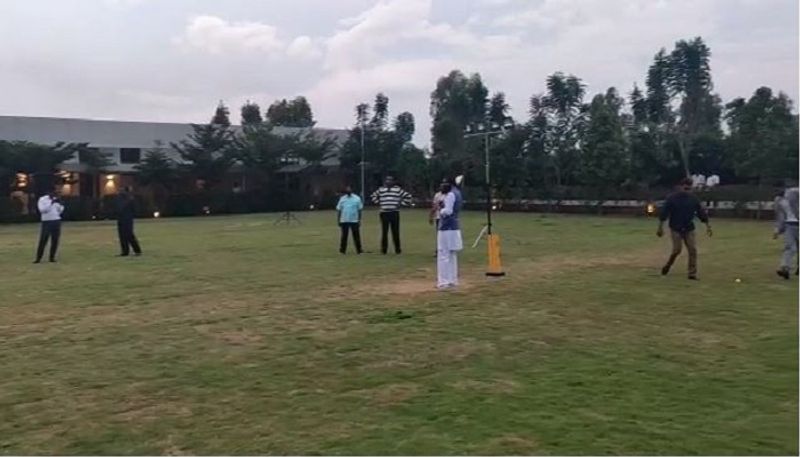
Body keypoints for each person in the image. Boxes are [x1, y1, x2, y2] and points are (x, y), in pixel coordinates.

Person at [657, 177, 713, 280]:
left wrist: (707, 226)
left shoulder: (693, 199)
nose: (687, 190)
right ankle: (668, 265)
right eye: (685, 188)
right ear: (680, 187)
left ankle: (692, 274)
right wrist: (660, 227)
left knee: (692, 250)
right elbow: (664, 213)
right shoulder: (672, 198)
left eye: (689, 188)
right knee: (677, 250)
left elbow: (701, 213)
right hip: (675, 227)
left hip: (688, 228)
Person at [371, 176, 412, 254]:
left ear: (393, 182)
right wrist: (379, 203)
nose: (388, 182)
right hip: (384, 213)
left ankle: (398, 250)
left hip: (394, 212)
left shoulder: (397, 190)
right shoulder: (381, 189)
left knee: (395, 232)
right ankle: (384, 250)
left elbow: (408, 196)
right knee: (384, 232)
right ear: (385, 182)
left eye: (390, 180)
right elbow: (373, 196)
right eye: (387, 180)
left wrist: (400, 204)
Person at [437, 177, 464, 289]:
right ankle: (453, 280)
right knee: (452, 254)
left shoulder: (450, 195)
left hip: (446, 227)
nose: (442, 185)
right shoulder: (458, 193)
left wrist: (441, 208)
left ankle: (443, 282)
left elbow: (448, 211)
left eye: (444, 183)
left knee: (443, 254)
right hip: (454, 227)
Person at [774, 182, 799, 279]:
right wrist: (777, 229)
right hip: (789, 225)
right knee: (790, 247)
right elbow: (779, 216)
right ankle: (785, 269)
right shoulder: (779, 200)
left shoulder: (794, 194)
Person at [34, 187, 64, 263]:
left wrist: (60, 204)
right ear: (48, 193)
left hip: (56, 221)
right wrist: (51, 203)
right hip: (46, 221)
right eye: (52, 193)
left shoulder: (55, 199)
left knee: (55, 240)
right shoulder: (42, 199)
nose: (53, 194)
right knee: (43, 239)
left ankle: (52, 257)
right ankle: (38, 258)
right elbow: (42, 210)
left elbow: (59, 211)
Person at [336, 185, 363, 254]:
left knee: (356, 236)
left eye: (349, 189)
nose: (348, 190)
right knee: (344, 236)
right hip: (344, 220)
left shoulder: (357, 198)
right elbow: (339, 210)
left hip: (354, 220)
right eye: (347, 189)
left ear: (352, 189)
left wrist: (359, 220)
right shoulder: (342, 199)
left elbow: (359, 210)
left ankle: (359, 250)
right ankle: (342, 250)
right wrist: (338, 220)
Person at [116, 186, 142, 257]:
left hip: (127, 219)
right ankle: (125, 251)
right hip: (122, 218)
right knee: (123, 235)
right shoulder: (123, 198)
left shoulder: (129, 199)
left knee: (128, 234)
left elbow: (133, 209)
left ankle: (136, 250)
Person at [429, 179, 448, 257]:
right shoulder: (437, 195)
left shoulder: (450, 195)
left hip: (447, 217)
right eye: (441, 185)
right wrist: (431, 216)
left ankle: (447, 250)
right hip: (439, 217)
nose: (442, 186)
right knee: (440, 235)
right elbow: (434, 206)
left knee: (447, 234)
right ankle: (439, 250)